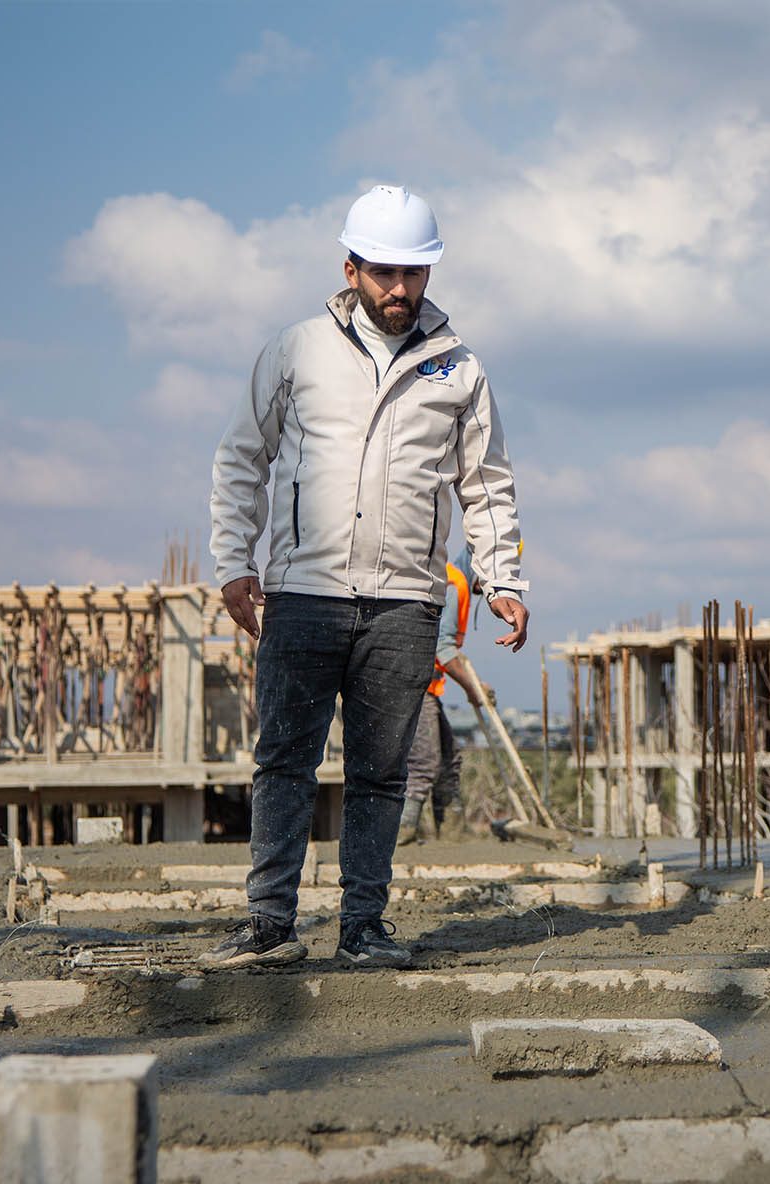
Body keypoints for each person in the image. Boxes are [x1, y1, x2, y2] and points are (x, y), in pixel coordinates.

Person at [202, 185, 529, 969]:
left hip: (405, 604)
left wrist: (500, 578)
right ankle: (270, 925)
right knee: (284, 759)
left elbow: (484, 484)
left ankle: (363, 927)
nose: (399, 289)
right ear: (350, 268)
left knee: (379, 770)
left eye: (414, 273)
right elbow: (243, 456)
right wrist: (233, 563)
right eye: (384, 272)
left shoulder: (458, 368)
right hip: (304, 597)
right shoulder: (297, 351)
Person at [398, 544, 483, 844]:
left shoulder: (456, 581)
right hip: (415, 685)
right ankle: (403, 833)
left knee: (449, 759)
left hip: (427, 688)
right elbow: (442, 648)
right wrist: (474, 689)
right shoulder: (453, 584)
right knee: (425, 761)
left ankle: (452, 834)